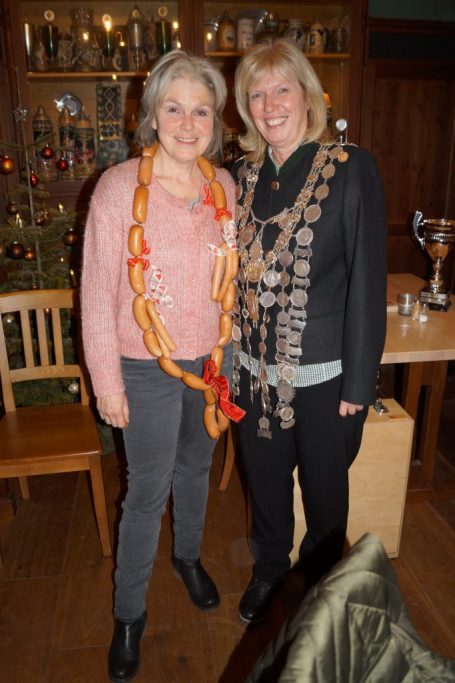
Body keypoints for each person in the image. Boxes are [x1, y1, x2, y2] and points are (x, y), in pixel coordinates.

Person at [81, 51, 236, 682]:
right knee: (147, 491)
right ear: (151, 116)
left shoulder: (223, 188)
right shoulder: (118, 190)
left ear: (215, 121)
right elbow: (97, 293)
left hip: (211, 360)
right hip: (143, 365)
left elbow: (231, 279)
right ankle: (128, 614)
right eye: (174, 108)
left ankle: (188, 557)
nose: (188, 123)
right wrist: (107, 383)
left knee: (196, 468)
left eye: (201, 110)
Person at [231, 39, 387, 625]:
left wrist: (359, 383)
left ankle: (323, 584)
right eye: (257, 94)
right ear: (246, 108)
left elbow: (367, 279)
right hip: (253, 373)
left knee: (325, 497)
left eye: (282, 90)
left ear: (307, 96)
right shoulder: (240, 176)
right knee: (266, 486)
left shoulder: (349, 168)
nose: (270, 105)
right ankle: (269, 570)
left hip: (326, 377)